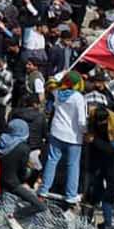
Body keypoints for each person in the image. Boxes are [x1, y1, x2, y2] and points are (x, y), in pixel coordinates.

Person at [39, 74, 88, 205]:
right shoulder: (78, 97)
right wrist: (86, 132)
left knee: (52, 161)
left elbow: (51, 80)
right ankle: (71, 195)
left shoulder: (57, 92)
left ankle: (44, 189)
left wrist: (64, 73)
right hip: (73, 137)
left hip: (56, 132)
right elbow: (82, 121)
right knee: (72, 165)